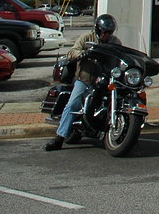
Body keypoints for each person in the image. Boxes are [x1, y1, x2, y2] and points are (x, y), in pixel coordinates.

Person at [43, 13, 121, 151]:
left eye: (110, 32)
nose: (107, 35)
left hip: (105, 81)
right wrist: (82, 54)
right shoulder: (86, 38)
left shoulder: (115, 42)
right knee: (73, 104)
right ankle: (59, 139)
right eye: (105, 32)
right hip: (85, 80)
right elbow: (72, 51)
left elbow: (121, 55)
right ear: (98, 29)